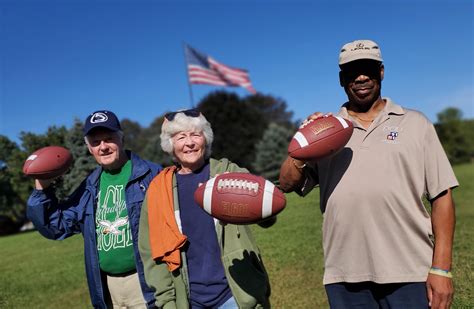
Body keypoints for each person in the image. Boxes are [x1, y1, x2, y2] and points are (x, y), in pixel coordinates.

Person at [279, 40, 458, 309]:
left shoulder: (415, 123)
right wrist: (302, 142)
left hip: (410, 270)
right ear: (342, 79)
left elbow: (442, 197)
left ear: (381, 72)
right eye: (352, 71)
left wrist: (441, 269)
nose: (361, 77)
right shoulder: (325, 132)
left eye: (368, 68)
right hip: (344, 274)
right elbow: (287, 183)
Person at [27, 110, 162, 308]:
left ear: (122, 138)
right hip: (107, 287)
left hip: (145, 283)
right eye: (96, 142)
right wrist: (42, 185)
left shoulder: (152, 175)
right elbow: (56, 226)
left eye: (109, 139)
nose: (103, 147)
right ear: (89, 148)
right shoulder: (90, 186)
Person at [138, 109, 272, 309]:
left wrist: (266, 210)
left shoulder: (228, 173)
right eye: (181, 137)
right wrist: (167, 301)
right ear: (170, 145)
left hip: (236, 295)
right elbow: (150, 252)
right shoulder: (158, 190)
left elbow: (265, 209)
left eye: (195, 134)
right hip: (189, 300)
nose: (189, 142)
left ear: (205, 139)